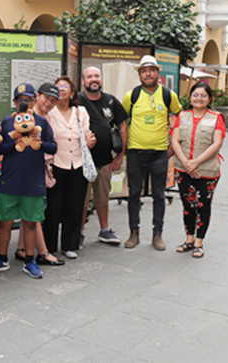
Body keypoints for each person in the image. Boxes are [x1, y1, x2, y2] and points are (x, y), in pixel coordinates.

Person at [0, 83, 57, 279]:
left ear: (34, 101)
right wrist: (13, 144)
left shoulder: (41, 122)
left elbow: (53, 147)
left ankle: (30, 260)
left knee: (31, 222)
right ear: (15, 102)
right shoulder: (8, 122)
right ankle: (2, 258)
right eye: (21, 100)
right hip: (10, 180)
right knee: (4, 221)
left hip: (33, 181)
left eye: (29, 99)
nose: (25, 103)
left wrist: (39, 144)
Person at [122, 55, 182, 251]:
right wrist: (122, 148)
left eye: (151, 70)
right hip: (135, 153)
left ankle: (158, 234)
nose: (147, 74)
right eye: (143, 70)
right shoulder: (131, 95)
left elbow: (179, 117)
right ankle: (134, 232)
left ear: (158, 73)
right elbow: (123, 121)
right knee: (133, 195)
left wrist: (174, 142)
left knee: (159, 195)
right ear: (139, 74)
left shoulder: (167, 95)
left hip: (159, 154)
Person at [43, 76, 96, 260]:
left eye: (65, 86)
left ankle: (70, 245)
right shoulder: (50, 112)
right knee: (53, 208)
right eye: (58, 87)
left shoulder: (80, 111)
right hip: (57, 164)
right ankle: (49, 247)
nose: (61, 89)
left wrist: (91, 141)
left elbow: (87, 136)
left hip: (78, 164)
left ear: (72, 92)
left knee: (74, 207)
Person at [170, 81, 225, 258]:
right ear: (190, 97)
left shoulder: (216, 117)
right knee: (188, 205)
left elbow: (217, 143)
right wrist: (187, 163)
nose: (199, 98)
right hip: (183, 169)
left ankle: (199, 242)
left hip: (207, 171)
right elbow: (175, 141)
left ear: (209, 99)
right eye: (195, 94)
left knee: (203, 205)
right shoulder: (182, 115)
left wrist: (196, 163)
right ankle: (189, 239)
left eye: (203, 95)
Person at [14, 83, 65, 266]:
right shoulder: (28, 117)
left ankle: (21, 248)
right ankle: (43, 252)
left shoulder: (46, 117)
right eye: (46, 98)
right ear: (38, 96)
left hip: (43, 165)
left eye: (53, 101)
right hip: (31, 168)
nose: (49, 103)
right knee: (34, 209)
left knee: (31, 208)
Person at [77, 66, 129, 246]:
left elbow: (122, 126)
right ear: (83, 81)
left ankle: (105, 230)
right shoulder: (76, 100)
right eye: (89, 76)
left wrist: (120, 155)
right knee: (82, 198)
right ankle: (79, 232)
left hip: (105, 160)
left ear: (101, 79)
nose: (94, 79)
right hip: (81, 161)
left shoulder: (111, 101)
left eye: (96, 76)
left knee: (102, 196)